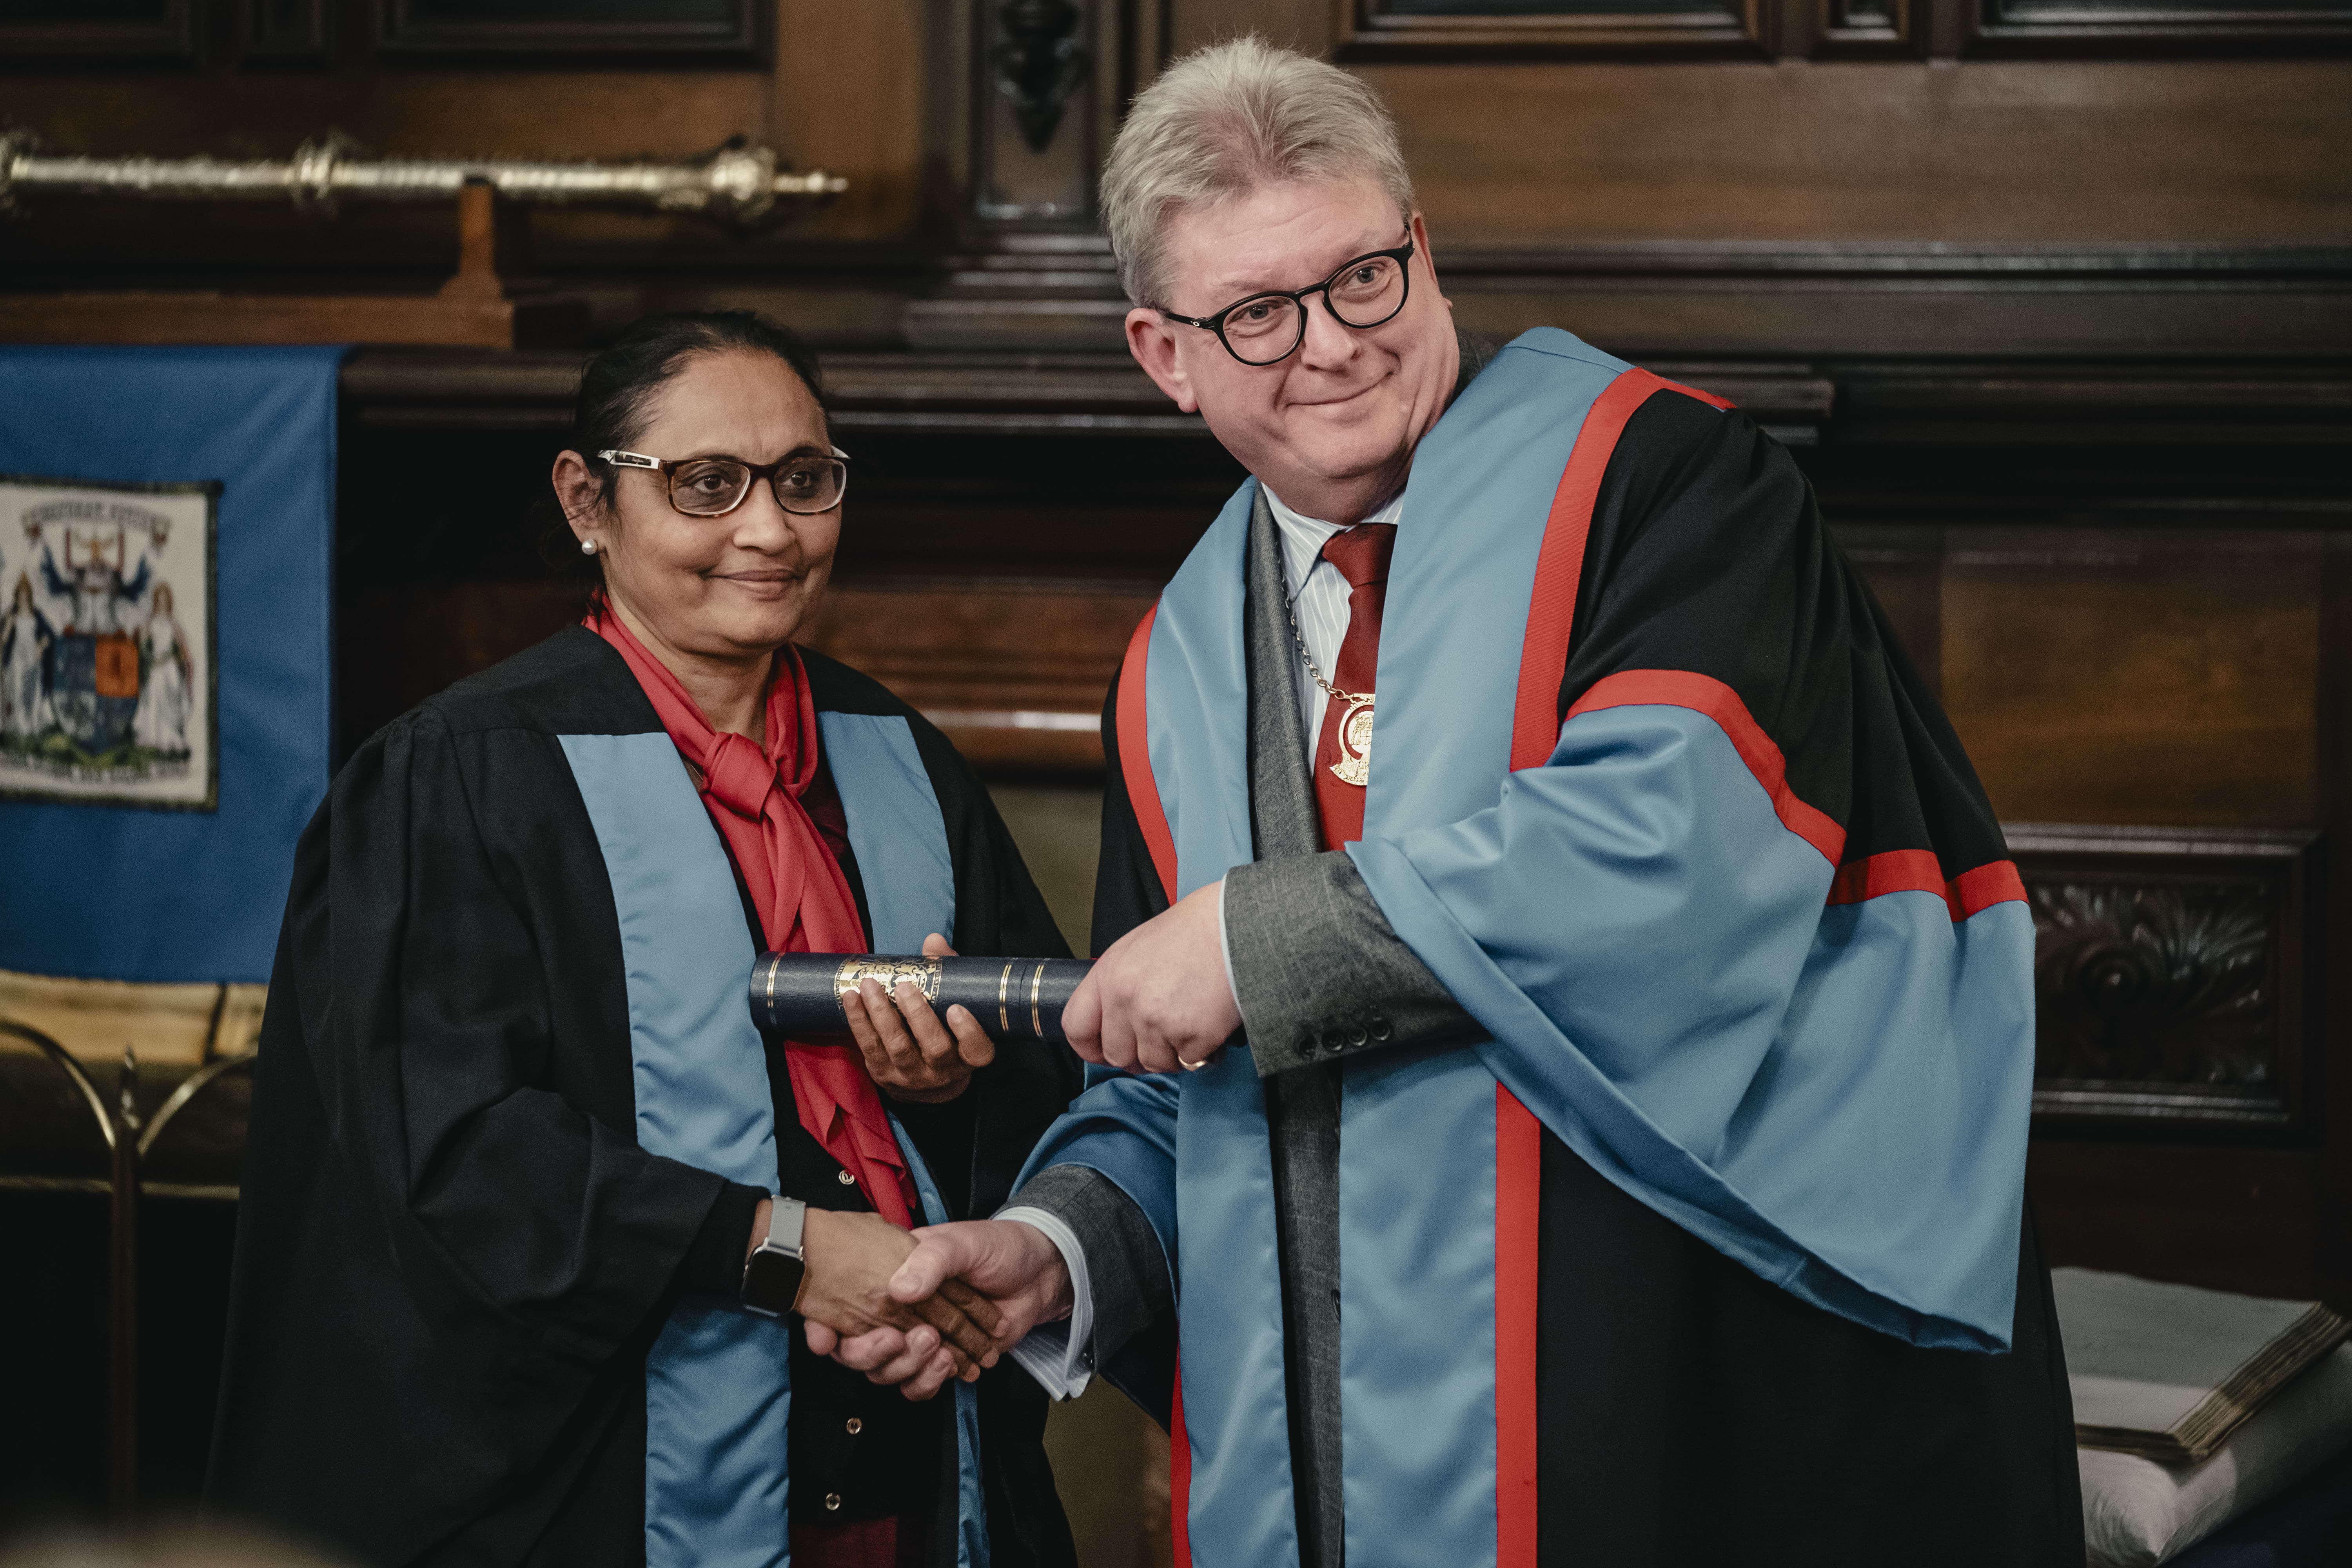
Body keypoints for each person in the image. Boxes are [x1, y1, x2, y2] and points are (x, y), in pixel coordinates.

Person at [865, 38, 2083, 1568]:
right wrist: (1057, 1248)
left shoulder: (1669, 484)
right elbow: (1181, 1080)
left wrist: (1252, 939)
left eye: (1365, 276)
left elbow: (1669, 853)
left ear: (1423, 250)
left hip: (1681, 1399)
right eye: (1256, 313)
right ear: (1164, 354)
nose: (1332, 344)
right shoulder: (1178, 658)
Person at [208, 311, 1082, 1568]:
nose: (769, 531)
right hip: (600, 1497)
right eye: (706, 485)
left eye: (803, 481)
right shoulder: (461, 776)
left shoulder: (901, 760)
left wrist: (946, 1088)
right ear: (588, 500)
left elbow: (1051, 1081)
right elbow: (446, 1157)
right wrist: (778, 1254)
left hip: (899, 1465)